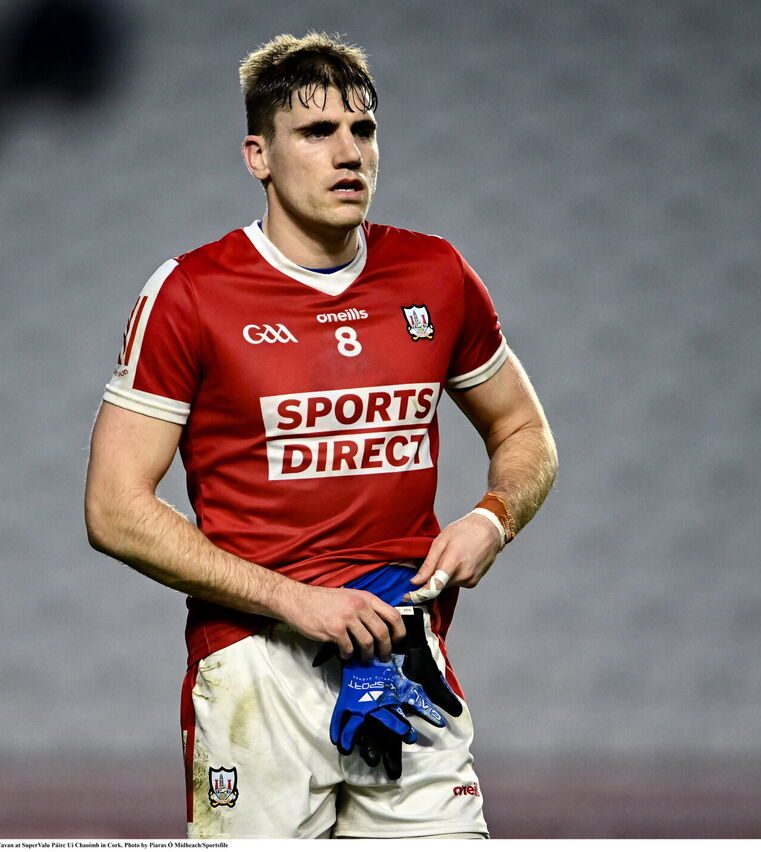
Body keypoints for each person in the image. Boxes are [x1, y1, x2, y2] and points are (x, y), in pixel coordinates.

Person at [84, 32, 557, 839]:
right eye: (316, 132)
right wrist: (291, 599)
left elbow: (524, 431)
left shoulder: (437, 274)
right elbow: (113, 509)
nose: (349, 153)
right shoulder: (191, 292)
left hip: (403, 662)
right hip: (255, 668)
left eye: (362, 131)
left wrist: (493, 518)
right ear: (256, 155)